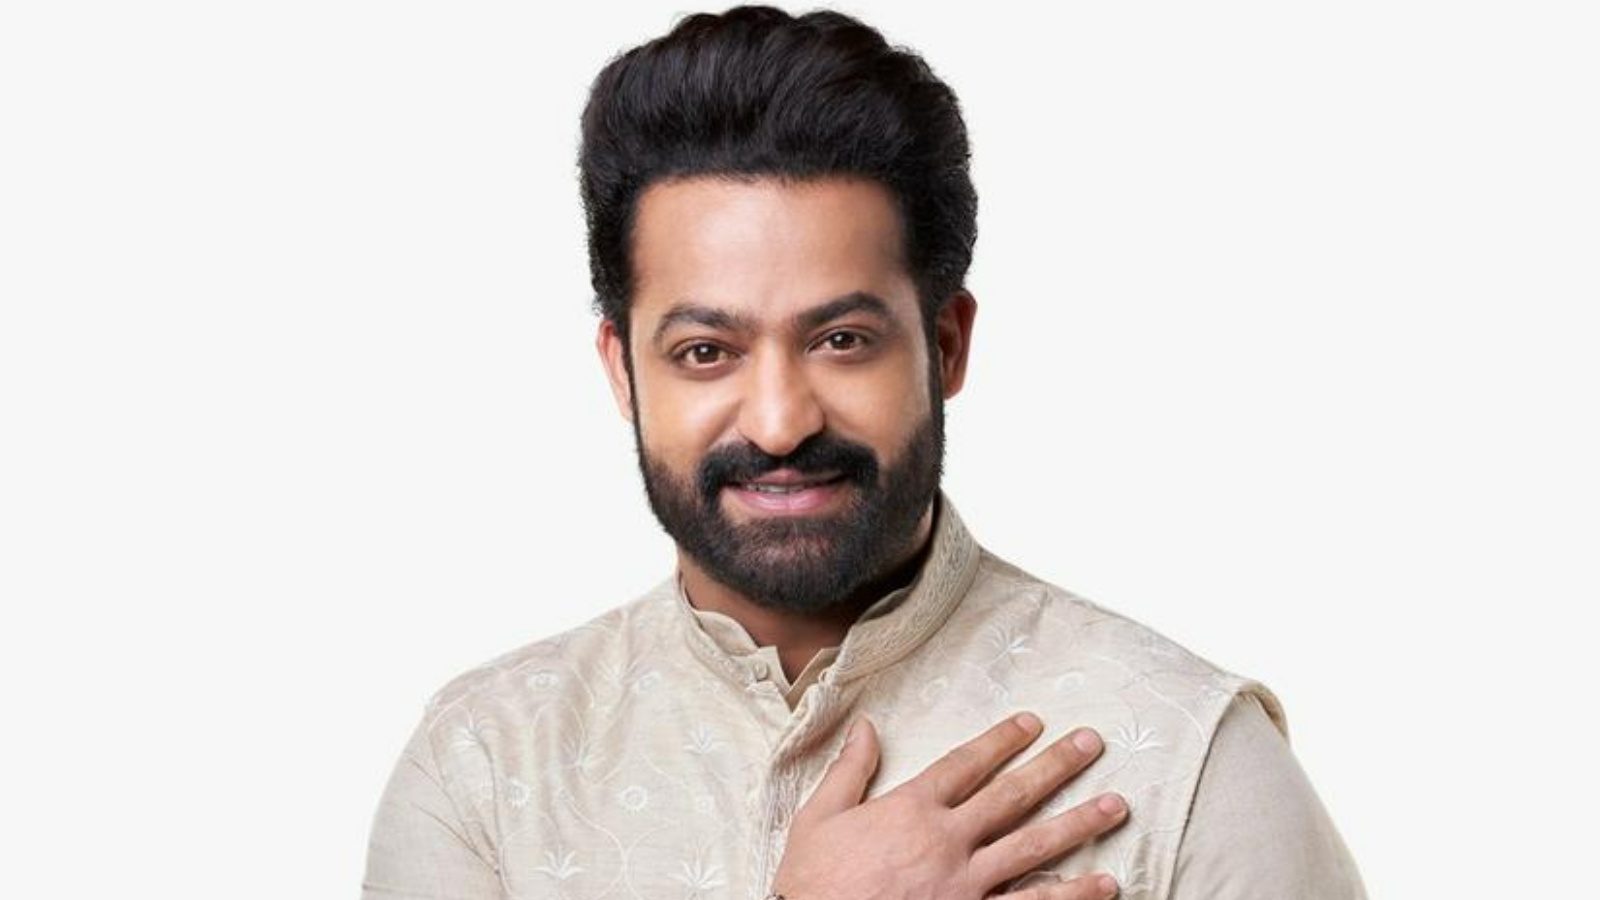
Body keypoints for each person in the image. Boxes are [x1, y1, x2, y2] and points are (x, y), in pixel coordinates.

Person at [362, 6, 1365, 898]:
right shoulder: (484, 769)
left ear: (945, 345)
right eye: (706, 351)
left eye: (841, 340)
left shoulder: (1191, 765)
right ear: (623, 371)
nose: (778, 423)